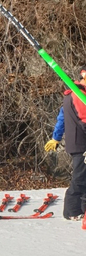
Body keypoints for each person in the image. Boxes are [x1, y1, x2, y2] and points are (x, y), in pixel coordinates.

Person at [44, 65, 86, 220]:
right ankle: (72, 211)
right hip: (81, 142)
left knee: (84, 176)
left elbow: (61, 117)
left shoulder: (73, 93)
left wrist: (56, 137)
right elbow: (84, 120)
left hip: (77, 141)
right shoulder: (78, 94)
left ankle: (83, 209)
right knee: (80, 177)